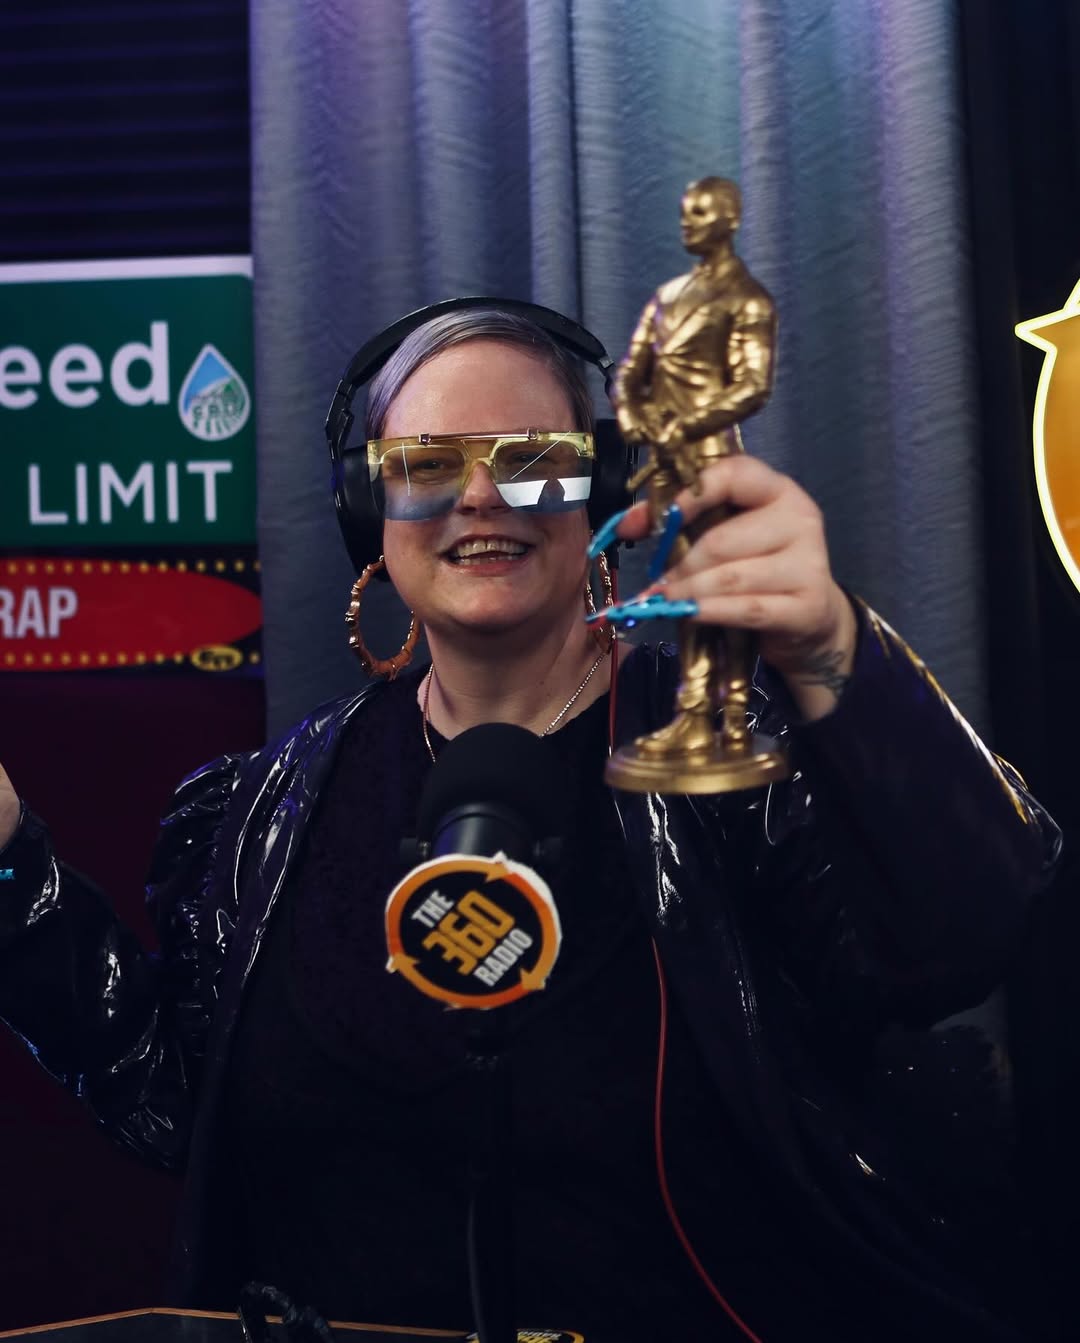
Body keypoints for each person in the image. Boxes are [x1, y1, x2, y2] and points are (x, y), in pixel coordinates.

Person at [0, 301, 1061, 1342]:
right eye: (425, 465)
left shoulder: (733, 752)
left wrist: (830, 643)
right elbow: (179, 1106)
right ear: (369, 509)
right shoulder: (268, 807)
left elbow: (963, 932)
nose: (478, 496)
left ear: (598, 490)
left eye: (532, 460)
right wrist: (11, 868)